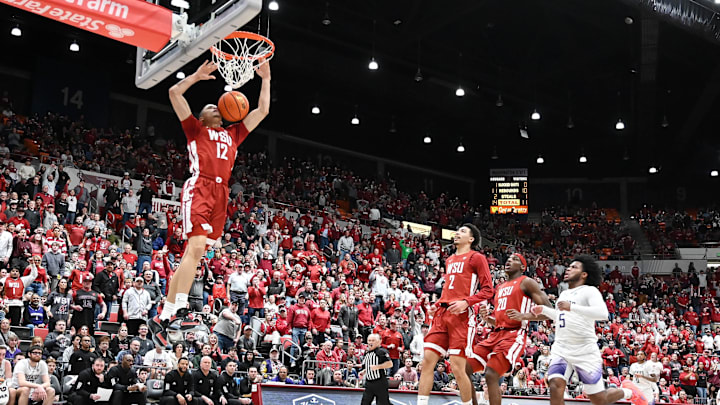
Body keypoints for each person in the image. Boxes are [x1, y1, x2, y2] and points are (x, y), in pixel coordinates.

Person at [149, 58, 271, 346]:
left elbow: (262, 110)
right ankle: (174, 308)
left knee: (197, 253)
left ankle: (164, 316)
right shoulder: (195, 129)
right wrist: (195, 76)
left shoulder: (234, 133)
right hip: (200, 187)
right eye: (208, 107)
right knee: (194, 248)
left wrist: (265, 78)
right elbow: (174, 94)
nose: (214, 107)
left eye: (216, 106)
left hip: (221, 195)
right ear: (201, 118)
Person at [531, 255, 648, 405]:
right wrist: (545, 310)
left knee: (599, 400)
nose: (568, 268)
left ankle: (628, 392)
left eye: (574, 267)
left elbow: (603, 313)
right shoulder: (564, 294)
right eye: (569, 266)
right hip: (562, 348)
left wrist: (571, 306)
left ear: (584, 274)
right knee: (554, 386)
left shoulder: (590, 291)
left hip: (584, 349)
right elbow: (561, 317)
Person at [417, 224, 493, 405]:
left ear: (471, 239)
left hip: (463, 316)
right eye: (457, 231)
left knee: (458, 369)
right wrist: (436, 304)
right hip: (443, 313)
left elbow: (488, 290)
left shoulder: (477, 257)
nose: (457, 233)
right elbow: (449, 289)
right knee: (427, 360)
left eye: (463, 231)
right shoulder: (450, 259)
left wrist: (466, 302)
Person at [465, 253, 552, 405]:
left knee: (491, 374)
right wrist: (487, 319)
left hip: (514, 334)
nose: (509, 261)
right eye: (509, 259)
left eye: (515, 259)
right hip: (495, 334)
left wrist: (523, 316)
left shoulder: (527, 282)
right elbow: (499, 321)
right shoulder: (500, 288)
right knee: (464, 369)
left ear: (523, 267)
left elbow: (549, 311)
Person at [360, 333, 393, 405]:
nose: (370, 342)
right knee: (364, 403)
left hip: (380, 382)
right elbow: (369, 366)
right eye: (369, 340)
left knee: (383, 403)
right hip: (369, 383)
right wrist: (364, 371)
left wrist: (377, 367)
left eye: (373, 340)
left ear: (378, 342)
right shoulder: (367, 353)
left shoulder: (381, 352)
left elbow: (390, 364)